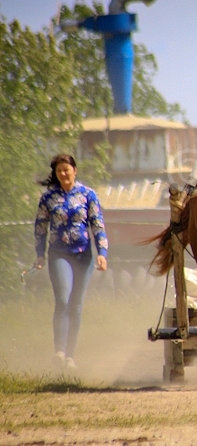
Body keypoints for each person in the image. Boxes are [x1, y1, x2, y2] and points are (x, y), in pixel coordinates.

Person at [34, 154, 109, 371]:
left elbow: (97, 224)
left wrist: (102, 252)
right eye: (59, 171)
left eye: (66, 169)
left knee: (76, 305)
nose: (63, 174)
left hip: (83, 255)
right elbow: (40, 227)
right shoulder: (49, 198)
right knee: (63, 299)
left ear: (74, 170)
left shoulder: (88, 195)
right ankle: (59, 351)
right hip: (59, 254)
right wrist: (40, 253)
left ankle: (70, 356)